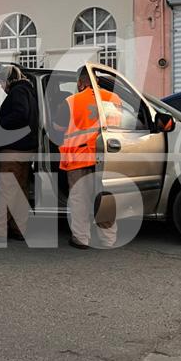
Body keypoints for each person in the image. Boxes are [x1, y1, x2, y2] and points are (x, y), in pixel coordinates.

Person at [59, 67, 123, 249]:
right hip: (108, 157)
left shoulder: (71, 101)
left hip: (78, 159)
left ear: (80, 83)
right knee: (105, 199)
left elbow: (57, 128)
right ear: (97, 81)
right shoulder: (114, 99)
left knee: (80, 200)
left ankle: (81, 239)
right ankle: (108, 239)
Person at [0, 65, 39, 242]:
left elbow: (20, 115)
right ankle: (19, 228)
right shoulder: (29, 91)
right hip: (26, 149)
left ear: (8, 80)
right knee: (20, 190)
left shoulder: (17, 92)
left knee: (7, 190)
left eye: (1, 83)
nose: (1, 87)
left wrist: (0, 123)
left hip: (13, 149)